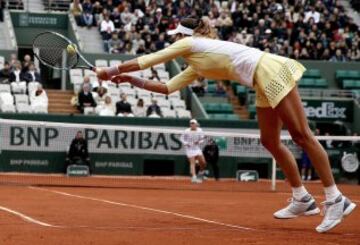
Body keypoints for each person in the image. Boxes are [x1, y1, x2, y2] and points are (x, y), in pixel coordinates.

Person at [95, 16, 356, 233]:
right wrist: (129, 80)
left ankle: (335, 199)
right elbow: (166, 87)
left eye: (176, 34)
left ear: (183, 35)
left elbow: (149, 59)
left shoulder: (190, 43)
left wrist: (112, 70)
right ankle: (302, 198)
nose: (173, 38)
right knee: (270, 141)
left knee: (302, 135)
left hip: (270, 70)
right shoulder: (197, 61)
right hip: (260, 81)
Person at [180, 119, 207, 183]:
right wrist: (186, 143)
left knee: (203, 163)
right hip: (189, 149)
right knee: (193, 163)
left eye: (193, 123)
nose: (192, 124)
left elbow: (202, 139)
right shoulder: (186, 131)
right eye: (191, 123)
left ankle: (200, 174)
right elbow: (181, 138)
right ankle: (194, 177)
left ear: (196, 124)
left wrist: (199, 142)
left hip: (197, 148)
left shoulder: (200, 130)